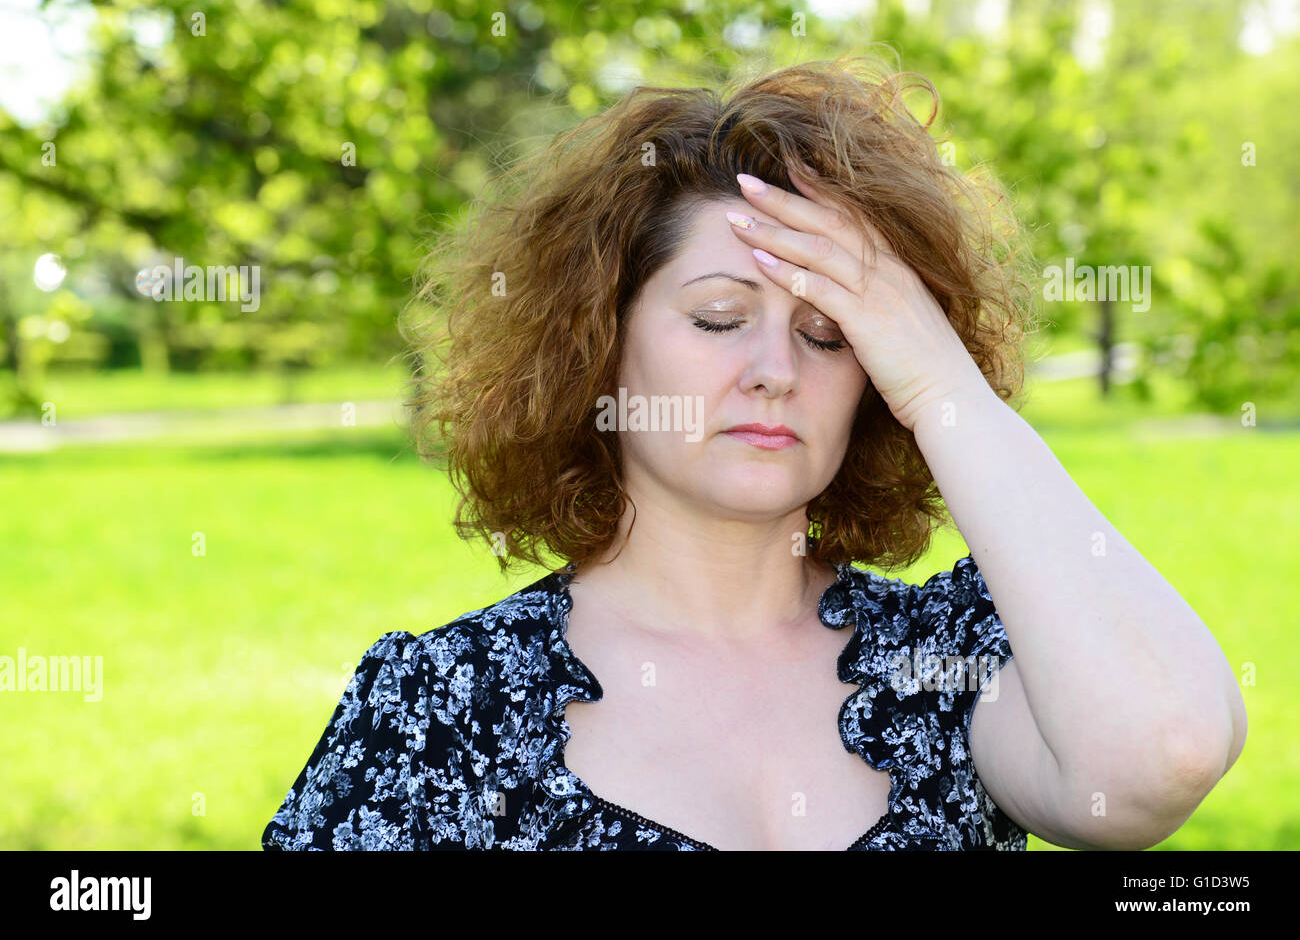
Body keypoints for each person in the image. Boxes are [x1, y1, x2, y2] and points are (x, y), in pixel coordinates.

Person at [262, 55, 1246, 851]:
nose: (776, 368)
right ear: (597, 350)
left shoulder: (950, 661)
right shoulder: (442, 712)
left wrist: (946, 390)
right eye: (719, 317)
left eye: (830, 334)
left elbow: (1163, 753)